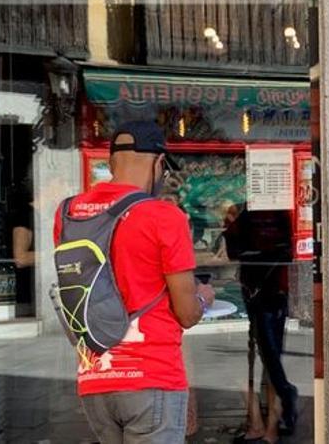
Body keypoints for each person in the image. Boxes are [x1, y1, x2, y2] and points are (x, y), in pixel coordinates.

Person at [55, 120, 215, 444]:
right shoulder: (164, 216)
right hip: (151, 377)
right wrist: (204, 297)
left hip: (95, 380)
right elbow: (187, 314)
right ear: (158, 164)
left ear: (111, 161)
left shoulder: (68, 213)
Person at [223, 207, 299, 443]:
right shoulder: (250, 214)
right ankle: (262, 422)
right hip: (259, 290)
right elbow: (236, 252)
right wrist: (232, 226)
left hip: (268, 291)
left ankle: (270, 422)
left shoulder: (274, 213)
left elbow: (286, 251)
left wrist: (232, 228)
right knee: (263, 358)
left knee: (268, 357)